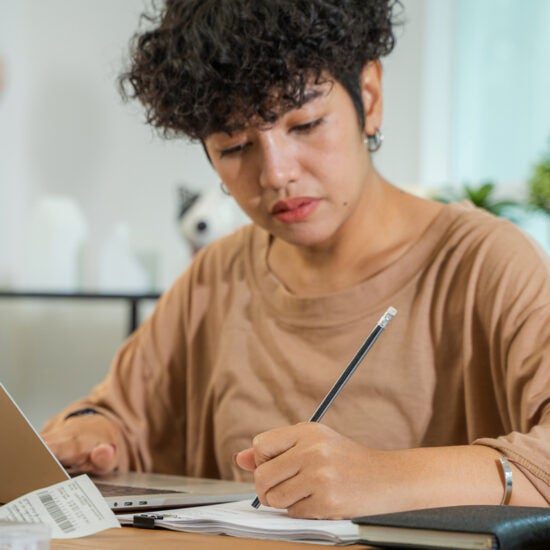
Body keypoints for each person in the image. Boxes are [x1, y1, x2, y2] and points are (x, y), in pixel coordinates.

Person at [42, 0, 550, 520]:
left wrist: (385, 477)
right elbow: (119, 418)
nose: (276, 174)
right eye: (235, 146)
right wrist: (92, 433)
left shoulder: (488, 264)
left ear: (368, 98)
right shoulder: (215, 278)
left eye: (305, 125)